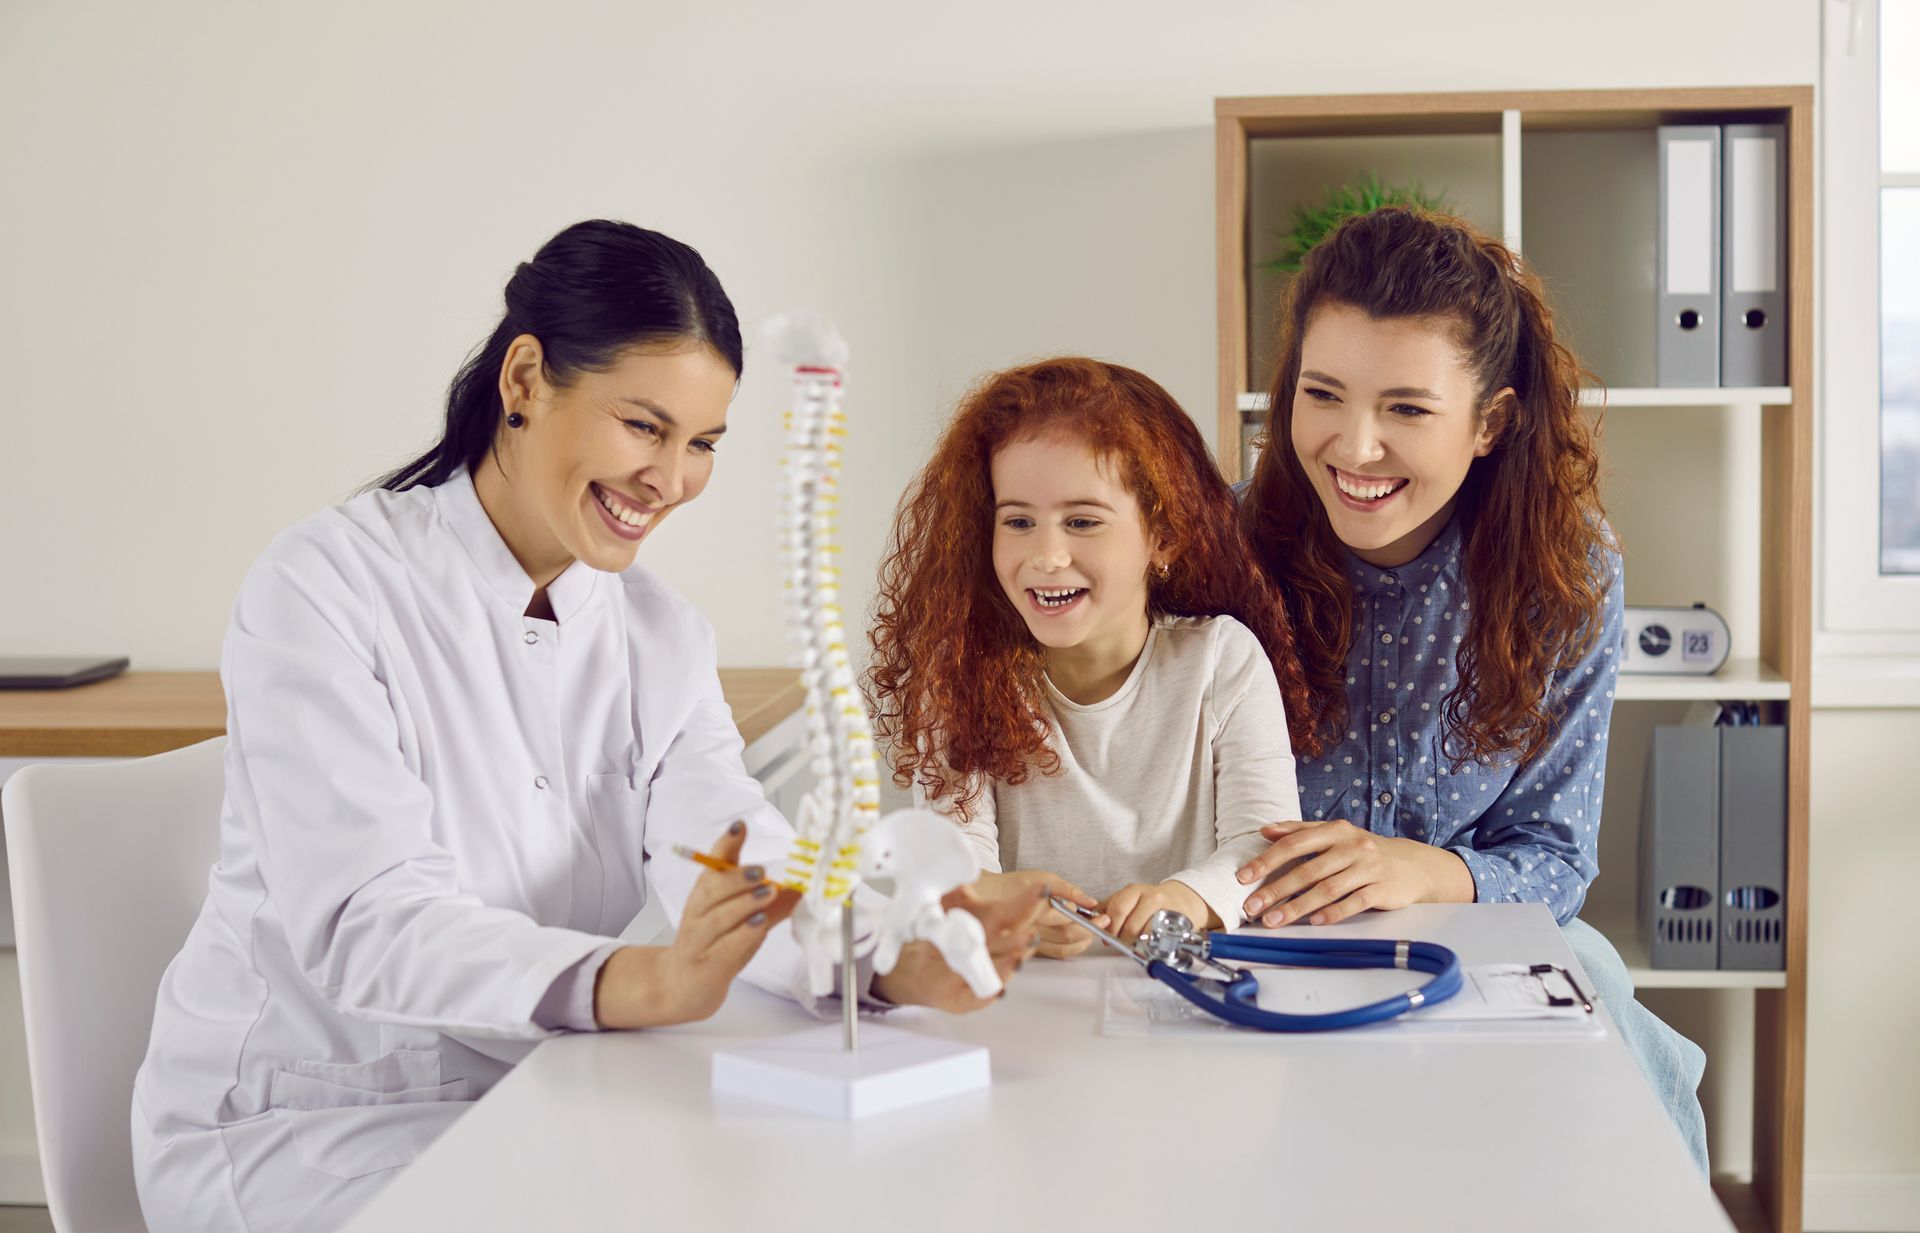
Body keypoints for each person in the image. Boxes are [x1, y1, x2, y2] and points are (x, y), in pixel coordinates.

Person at [130, 220, 1046, 1233]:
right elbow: (367, 916)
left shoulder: (660, 632)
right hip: (309, 1123)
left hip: (539, 1096)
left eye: (701, 444)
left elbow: (731, 847)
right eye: (644, 427)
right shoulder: (325, 587)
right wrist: (638, 979)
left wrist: (877, 958)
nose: (672, 479)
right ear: (524, 380)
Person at [1233, 205, 1709, 1174]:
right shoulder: (1226, 549)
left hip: (1475, 949)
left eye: (1406, 409)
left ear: (1489, 421)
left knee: (1621, 1052)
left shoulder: (1567, 579)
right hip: (1256, 948)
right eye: (1323, 394)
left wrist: (1424, 869)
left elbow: (1557, 856)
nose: (1353, 446)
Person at [865, 357, 1317, 950]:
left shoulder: (1221, 661)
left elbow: (1262, 843)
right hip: (1026, 1001)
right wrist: (998, 904)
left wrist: (1183, 900)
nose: (1047, 555)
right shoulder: (957, 674)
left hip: (1187, 987)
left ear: (1165, 537)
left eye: (1081, 521)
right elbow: (954, 863)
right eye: (1019, 521)